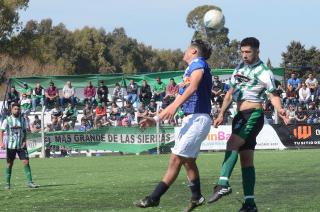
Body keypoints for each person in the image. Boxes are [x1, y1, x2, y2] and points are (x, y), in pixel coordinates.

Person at [207, 37, 288, 212]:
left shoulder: (264, 72)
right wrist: (221, 113)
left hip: (253, 114)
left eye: (248, 52)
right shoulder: (239, 68)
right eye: (242, 52)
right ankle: (250, 203)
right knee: (246, 159)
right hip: (239, 115)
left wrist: (280, 109)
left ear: (257, 51)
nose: (244, 55)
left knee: (232, 143)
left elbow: (273, 94)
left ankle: (222, 184)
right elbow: (229, 93)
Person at [135, 39, 212, 211]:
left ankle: (155, 197)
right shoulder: (189, 69)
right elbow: (180, 97)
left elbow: (193, 87)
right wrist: (156, 119)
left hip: (198, 118)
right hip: (190, 119)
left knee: (176, 158)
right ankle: (197, 196)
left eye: (187, 49)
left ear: (193, 51)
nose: (184, 52)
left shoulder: (198, 63)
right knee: (188, 161)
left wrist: (176, 106)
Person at [0, 103, 38, 189]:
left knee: (26, 162)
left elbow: (24, 131)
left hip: (21, 145)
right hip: (11, 146)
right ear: (11, 110)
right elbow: (1, 131)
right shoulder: (7, 120)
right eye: (15, 109)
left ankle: (30, 182)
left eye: (18, 109)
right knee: (9, 164)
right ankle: (7, 183)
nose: (17, 110)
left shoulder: (22, 120)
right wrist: (1, 143)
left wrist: (24, 141)